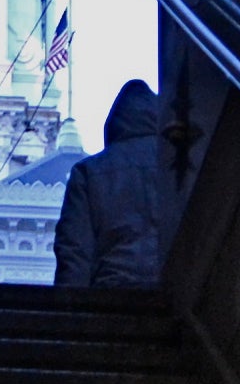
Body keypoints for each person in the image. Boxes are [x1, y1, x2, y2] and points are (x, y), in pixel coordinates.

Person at [53, 80, 188, 288]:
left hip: (113, 297)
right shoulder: (181, 166)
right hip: (170, 292)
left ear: (115, 124)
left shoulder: (89, 172)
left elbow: (75, 254)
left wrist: (67, 311)